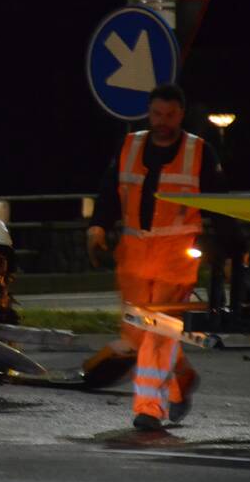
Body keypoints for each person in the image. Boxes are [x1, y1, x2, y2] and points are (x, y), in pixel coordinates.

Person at [85, 84, 235, 430]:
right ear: (148, 113)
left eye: (169, 115)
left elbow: (221, 207)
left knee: (158, 333)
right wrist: (97, 226)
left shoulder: (200, 152)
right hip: (134, 259)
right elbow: (109, 190)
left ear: (181, 115)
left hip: (175, 260)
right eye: (156, 114)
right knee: (137, 334)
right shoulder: (131, 145)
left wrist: (230, 253)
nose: (162, 122)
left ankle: (149, 407)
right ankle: (182, 377)